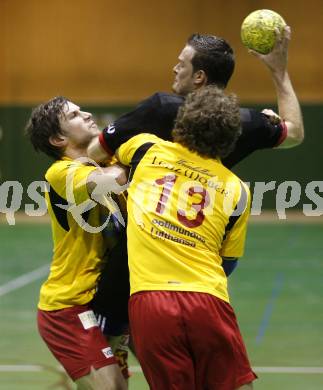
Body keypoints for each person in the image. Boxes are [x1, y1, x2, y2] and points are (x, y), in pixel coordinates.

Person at [87, 26, 304, 338]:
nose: (175, 67)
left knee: (110, 346)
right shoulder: (245, 122)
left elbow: (94, 153)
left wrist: (121, 169)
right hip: (195, 266)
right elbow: (294, 133)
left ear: (199, 77)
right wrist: (279, 72)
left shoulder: (160, 109)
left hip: (138, 257)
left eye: (182, 63)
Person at [115, 85, 256, 389]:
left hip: (149, 302)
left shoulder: (145, 149)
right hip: (207, 299)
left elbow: (103, 156)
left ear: (182, 121)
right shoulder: (237, 189)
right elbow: (227, 263)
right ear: (231, 137)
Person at [25, 97, 128, 390]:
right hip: (68, 307)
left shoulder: (107, 161)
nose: (86, 114)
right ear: (58, 138)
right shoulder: (61, 173)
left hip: (109, 302)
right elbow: (110, 180)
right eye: (74, 114)